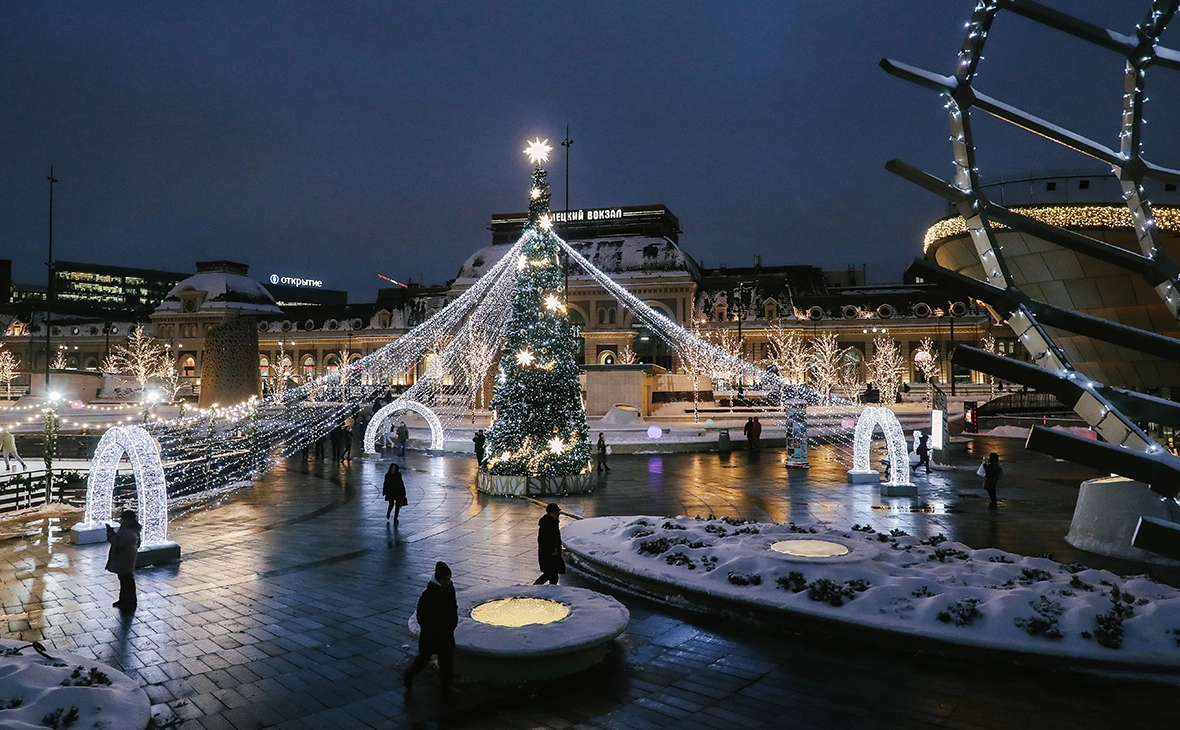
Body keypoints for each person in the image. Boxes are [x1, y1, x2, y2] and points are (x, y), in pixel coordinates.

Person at [404, 561, 458, 695]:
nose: (447, 581)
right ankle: (409, 674)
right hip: (431, 634)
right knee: (424, 658)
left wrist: (453, 623)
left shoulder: (450, 589)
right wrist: (432, 629)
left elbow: (453, 607)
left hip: (446, 633)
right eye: (445, 579)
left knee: (447, 663)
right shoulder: (428, 594)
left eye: (449, 579)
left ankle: (446, 691)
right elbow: (421, 616)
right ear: (439, 579)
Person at [106, 510, 141, 611]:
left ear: (127, 519)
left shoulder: (130, 531)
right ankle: (123, 600)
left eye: (123, 518)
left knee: (127, 579)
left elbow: (119, 544)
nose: (121, 520)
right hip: (124, 556)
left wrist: (110, 534)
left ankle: (130, 601)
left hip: (126, 557)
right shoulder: (128, 528)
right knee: (123, 578)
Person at [533, 503, 565, 585]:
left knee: (552, 575)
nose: (558, 514)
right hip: (549, 555)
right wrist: (553, 550)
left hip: (550, 554)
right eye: (557, 512)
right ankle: (534, 588)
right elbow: (544, 540)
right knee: (551, 574)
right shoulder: (548, 524)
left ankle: (537, 588)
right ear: (551, 513)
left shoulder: (551, 523)